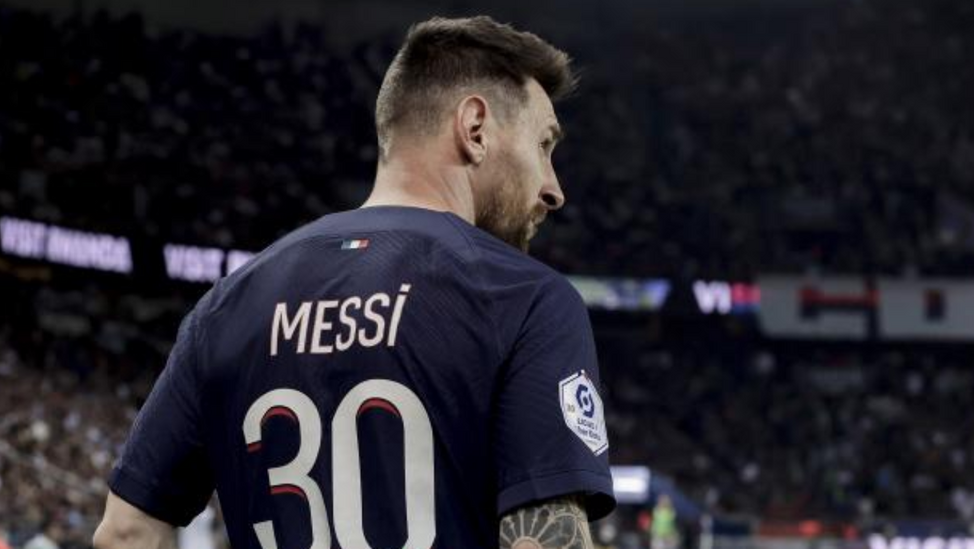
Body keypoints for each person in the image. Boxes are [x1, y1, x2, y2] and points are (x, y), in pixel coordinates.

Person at [93, 15, 614, 549]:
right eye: (544, 145)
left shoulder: (226, 306)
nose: (554, 189)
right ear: (475, 128)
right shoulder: (526, 298)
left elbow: (125, 533)